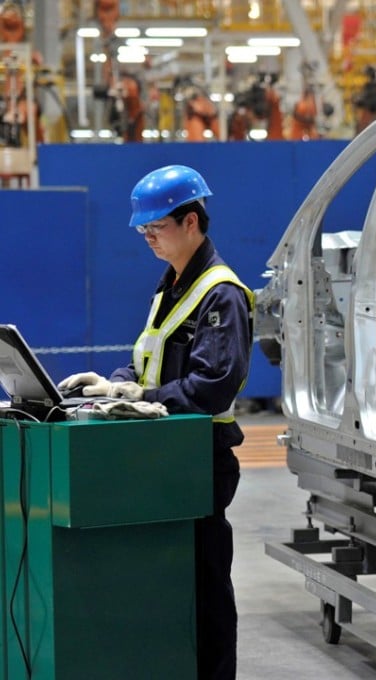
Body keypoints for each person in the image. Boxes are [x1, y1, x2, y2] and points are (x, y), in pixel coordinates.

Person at [58, 165, 253, 680]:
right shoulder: (170, 285)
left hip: (199, 462)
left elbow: (212, 387)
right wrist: (110, 382)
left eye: (155, 229)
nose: (147, 238)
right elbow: (151, 362)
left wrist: (140, 394)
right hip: (166, 462)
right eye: (142, 231)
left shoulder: (220, 294)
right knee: (175, 589)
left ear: (190, 222)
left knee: (206, 592)